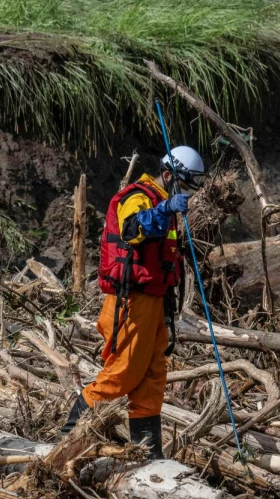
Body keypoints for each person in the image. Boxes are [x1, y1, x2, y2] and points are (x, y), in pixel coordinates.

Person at [61, 145, 207, 457]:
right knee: (122, 373)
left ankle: (149, 454)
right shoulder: (138, 196)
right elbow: (131, 229)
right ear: (168, 176)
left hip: (154, 301)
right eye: (183, 186)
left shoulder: (164, 203)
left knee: (153, 376)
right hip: (131, 301)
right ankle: (66, 440)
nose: (186, 194)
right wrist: (165, 210)